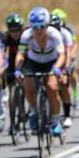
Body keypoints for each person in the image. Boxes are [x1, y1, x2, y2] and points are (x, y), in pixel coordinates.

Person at [14, 7, 66, 136]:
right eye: (34, 26)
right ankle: (33, 112)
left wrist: (57, 68)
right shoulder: (26, 35)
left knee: (52, 87)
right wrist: (18, 69)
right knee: (28, 86)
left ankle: (56, 120)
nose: (38, 30)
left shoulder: (54, 34)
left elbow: (62, 55)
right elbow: (20, 54)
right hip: (33, 62)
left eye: (42, 26)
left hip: (51, 63)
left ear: (47, 25)